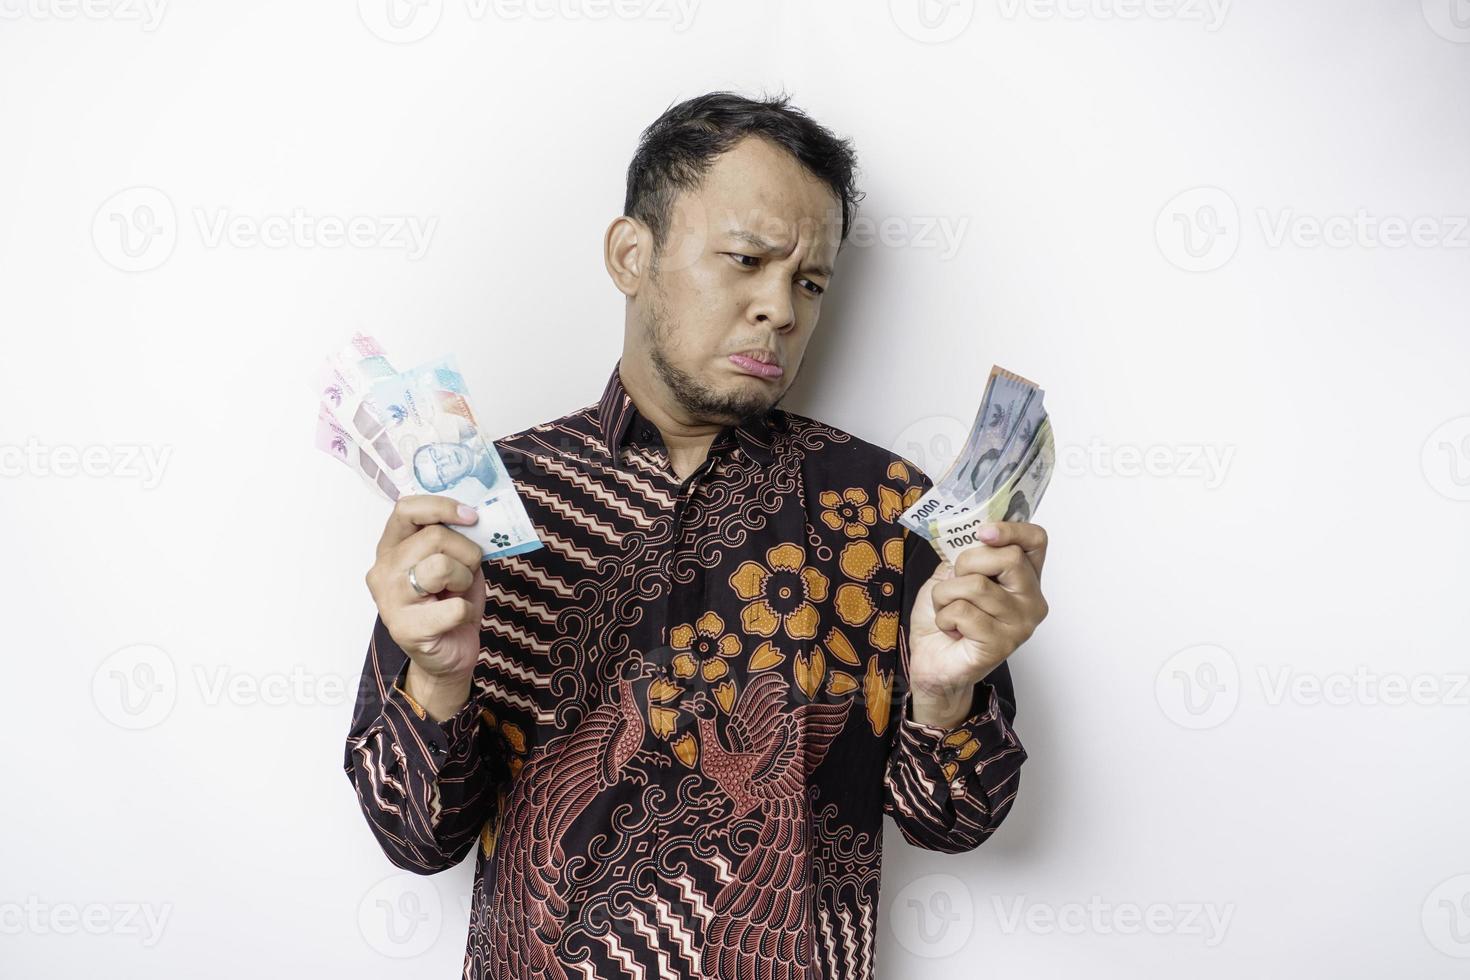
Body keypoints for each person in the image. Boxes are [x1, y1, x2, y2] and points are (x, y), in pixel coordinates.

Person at [344, 90, 1050, 980]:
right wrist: (437, 680)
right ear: (631, 254)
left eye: (810, 281)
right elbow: (413, 838)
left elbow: (954, 822)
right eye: (746, 259)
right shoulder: (483, 506)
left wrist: (947, 697)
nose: (781, 310)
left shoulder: (886, 511)